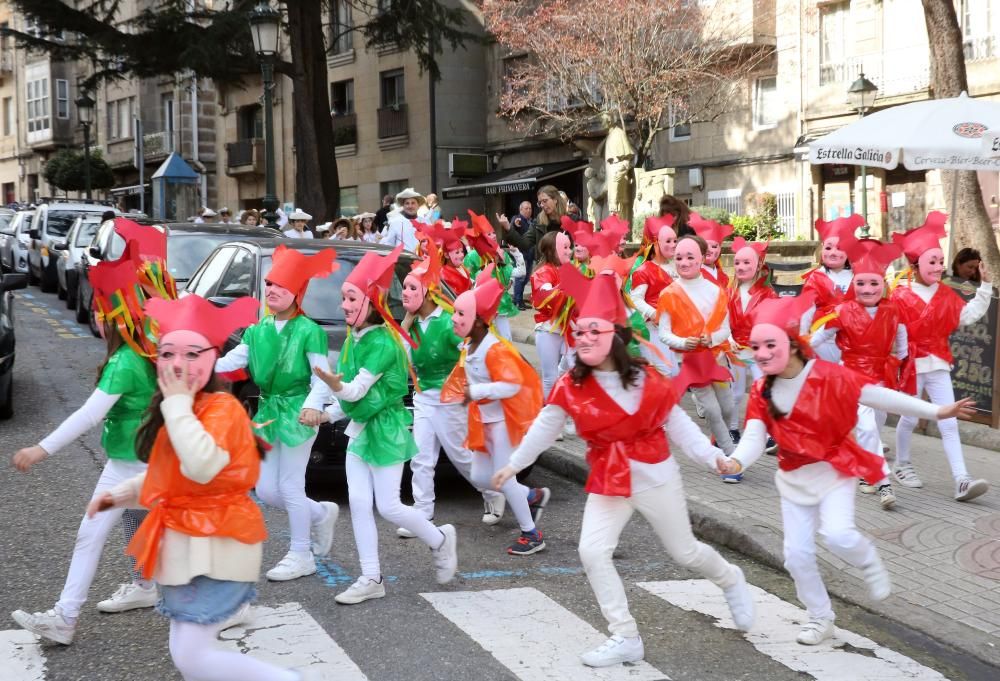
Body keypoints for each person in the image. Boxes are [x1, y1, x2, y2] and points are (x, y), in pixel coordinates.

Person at [492, 273, 755, 668]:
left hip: (654, 474)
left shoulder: (646, 379)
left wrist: (712, 457)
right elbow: (545, 427)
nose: (583, 338)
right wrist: (513, 465)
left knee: (684, 552)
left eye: (593, 331)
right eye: (578, 331)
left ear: (615, 335)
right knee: (592, 552)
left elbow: (677, 424)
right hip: (609, 479)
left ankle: (730, 578)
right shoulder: (570, 385)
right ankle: (625, 636)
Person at [718, 293, 974, 646]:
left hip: (834, 469)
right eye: (756, 346)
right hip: (792, 477)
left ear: (793, 345)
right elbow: (753, 437)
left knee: (838, 534)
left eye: (769, 345)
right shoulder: (762, 389)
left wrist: (937, 411)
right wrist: (735, 460)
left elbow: (877, 395)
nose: (760, 354)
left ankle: (868, 561)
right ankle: (820, 618)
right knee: (795, 557)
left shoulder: (828, 375)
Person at [89, 293, 312, 681]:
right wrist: (121, 495)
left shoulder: (221, 409)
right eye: (168, 354)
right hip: (187, 545)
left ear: (212, 359)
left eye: (193, 354)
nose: (180, 364)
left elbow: (203, 466)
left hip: (220, 545)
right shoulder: (182, 408)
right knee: (184, 650)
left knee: (192, 656)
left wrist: (175, 406)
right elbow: (172, 477)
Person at [10, 221, 176, 645]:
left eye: (103, 313)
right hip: (133, 464)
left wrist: (39, 449)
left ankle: (233, 601)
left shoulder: (126, 362)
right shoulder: (150, 352)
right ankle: (86, 609)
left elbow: (87, 416)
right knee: (112, 533)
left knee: (179, 541)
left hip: (141, 469)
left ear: (117, 319)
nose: (98, 319)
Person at [315, 246, 457, 604]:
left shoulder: (383, 342)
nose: (344, 305)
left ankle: (440, 540)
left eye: (351, 298)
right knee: (360, 504)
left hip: (388, 429)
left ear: (372, 302)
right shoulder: (354, 339)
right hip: (361, 432)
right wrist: (325, 413)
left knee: (389, 506)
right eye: (343, 298)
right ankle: (370, 577)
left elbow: (356, 389)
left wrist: (334, 388)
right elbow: (348, 398)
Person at [215, 246, 339, 581]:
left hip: (299, 413)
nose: (271, 291)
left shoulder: (310, 331)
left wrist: (313, 406)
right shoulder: (257, 329)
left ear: (297, 294)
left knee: (290, 485)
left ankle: (301, 554)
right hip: (269, 413)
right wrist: (193, 362)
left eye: (280, 287)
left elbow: (321, 378)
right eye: (269, 285)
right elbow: (231, 362)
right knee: (267, 489)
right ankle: (319, 514)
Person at [398, 252, 509, 534]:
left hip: (449, 399)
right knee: (420, 457)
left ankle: (494, 492)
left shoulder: (448, 322)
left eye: (413, 288)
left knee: (463, 458)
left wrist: (471, 387)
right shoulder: (413, 324)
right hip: (423, 397)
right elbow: (398, 355)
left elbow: (470, 351)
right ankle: (423, 512)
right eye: (405, 287)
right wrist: (407, 323)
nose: (406, 293)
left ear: (428, 292)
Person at [443, 271, 548, 555]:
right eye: (455, 312)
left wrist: (476, 393)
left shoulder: (495, 349)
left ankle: (532, 534)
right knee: (479, 477)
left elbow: (512, 385)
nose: (454, 318)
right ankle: (531, 496)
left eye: (461, 314)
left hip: (501, 423)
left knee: (503, 479)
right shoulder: (470, 343)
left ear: (478, 320)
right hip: (484, 423)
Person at [890, 212, 992, 501]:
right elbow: (894, 332)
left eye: (939, 261)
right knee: (909, 419)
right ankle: (902, 464)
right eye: (931, 261)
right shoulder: (899, 295)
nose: (938, 266)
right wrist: (897, 362)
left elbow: (968, 315)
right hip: (910, 365)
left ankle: (961, 479)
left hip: (937, 364)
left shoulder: (946, 295)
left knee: (949, 420)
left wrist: (984, 287)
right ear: (915, 264)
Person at [810, 239, 906, 510]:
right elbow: (819, 336)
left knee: (875, 425)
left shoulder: (892, 310)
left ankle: (866, 469)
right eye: (860, 283)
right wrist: (797, 348)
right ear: (853, 284)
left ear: (883, 285)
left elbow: (902, 338)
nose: (867, 289)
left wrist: (900, 361)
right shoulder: (843, 311)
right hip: (853, 377)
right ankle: (884, 482)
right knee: (865, 426)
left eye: (873, 283)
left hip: (882, 376)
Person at [656, 235, 736, 457]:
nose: (684, 262)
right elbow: (664, 333)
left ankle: (718, 440)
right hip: (691, 363)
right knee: (711, 410)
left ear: (702, 258)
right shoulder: (668, 294)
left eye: (690, 257)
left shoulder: (716, 291)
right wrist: (683, 342)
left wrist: (711, 339)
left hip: (716, 359)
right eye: (679, 257)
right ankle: (729, 455)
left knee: (728, 408)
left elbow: (726, 328)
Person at [726, 237, 777, 451]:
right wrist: (728, 339)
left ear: (759, 265)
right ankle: (732, 429)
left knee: (763, 391)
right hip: (735, 351)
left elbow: (773, 322)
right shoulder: (728, 293)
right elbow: (722, 320)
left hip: (758, 353)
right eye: (737, 262)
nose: (741, 267)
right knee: (735, 394)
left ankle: (764, 434)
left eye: (747, 262)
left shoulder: (768, 294)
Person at [801, 215, 861, 363]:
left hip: (853, 342)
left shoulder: (859, 277)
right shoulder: (815, 278)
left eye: (840, 248)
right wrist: (802, 337)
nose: (833, 252)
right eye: (828, 247)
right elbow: (806, 311)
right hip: (821, 343)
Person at [628, 216, 678, 376]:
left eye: (675, 240)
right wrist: (655, 314)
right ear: (656, 244)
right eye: (668, 241)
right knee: (665, 372)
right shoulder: (644, 270)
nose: (673, 245)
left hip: (673, 328)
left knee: (674, 372)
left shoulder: (677, 266)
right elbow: (635, 299)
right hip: (652, 329)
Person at [531, 230, 575, 398]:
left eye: (569, 247)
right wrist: (567, 286)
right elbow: (545, 297)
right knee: (550, 377)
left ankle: (567, 406)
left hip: (567, 329)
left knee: (573, 368)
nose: (569, 251)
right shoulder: (543, 272)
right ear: (553, 250)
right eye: (565, 247)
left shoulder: (567, 269)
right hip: (548, 330)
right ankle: (548, 411)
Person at [465, 210, 518, 341]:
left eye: (494, 233)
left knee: (506, 338)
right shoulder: (472, 256)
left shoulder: (501, 252)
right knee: (485, 338)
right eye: (489, 234)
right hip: (482, 304)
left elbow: (510, 270)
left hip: (500, 301)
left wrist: (510, 281)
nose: (493, 236)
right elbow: (468, 277)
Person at [497, 184, 568, 260]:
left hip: (566, 267)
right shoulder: (538, 222)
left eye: (545, 201)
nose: (542, 205)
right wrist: (508, 227)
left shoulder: (572, 219)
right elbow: (524, 244)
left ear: (555, 199)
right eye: (540, 203)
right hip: (544, 267)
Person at [690, 213, 733, 289]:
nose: (708, 250)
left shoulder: (723, 277)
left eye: (714, 246)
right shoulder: (694, 274)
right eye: (705, 246)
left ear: (720, 249)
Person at [380, 188, 425, 252]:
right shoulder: (395, 222)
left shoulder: (425, 222)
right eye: (407, 203)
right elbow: (388, 244)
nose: (410, 206)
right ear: (403, 206)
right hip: (403, 260)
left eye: (413, 203)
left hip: (422, 260)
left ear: (418, 206)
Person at [510, 201, 535, 309]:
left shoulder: (531, 222)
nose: (528, 210)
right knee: (520, 278)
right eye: (526, 208)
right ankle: (517, 301)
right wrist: (515, 223)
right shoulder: (518, 218)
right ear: (521, 210)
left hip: (530, 255)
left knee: (525, 279)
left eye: (530, 208)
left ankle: (518, 299)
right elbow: (512, 225)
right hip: (521, 255)